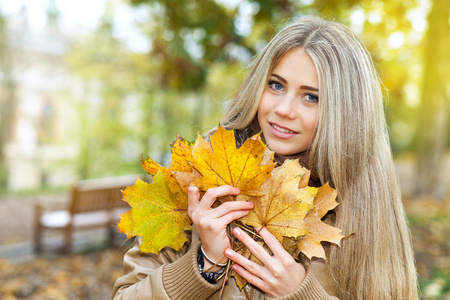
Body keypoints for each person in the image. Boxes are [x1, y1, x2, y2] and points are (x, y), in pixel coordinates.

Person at [112, 16, 418, 299]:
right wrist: (204, 264)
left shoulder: (362, 209)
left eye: (311, 97)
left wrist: (301, 293)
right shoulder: (201, 177)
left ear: (346, 113)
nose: (283, 108)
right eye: (276, 85)